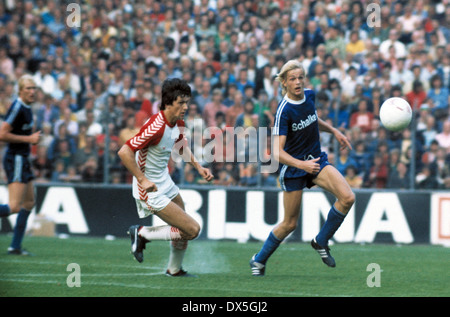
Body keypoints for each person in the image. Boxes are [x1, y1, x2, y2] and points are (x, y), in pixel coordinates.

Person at [249, 60, 355, 276]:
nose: (297, 82)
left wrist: (334, 131)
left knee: (347, 198)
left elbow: (313, 119)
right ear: (285, 83)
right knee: (289, 224)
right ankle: (258, 260)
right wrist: (301, 164)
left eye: (300, 78)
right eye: (292, 79)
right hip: (294, 169)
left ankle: (320, 240)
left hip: (315, 161)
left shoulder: (310, 95)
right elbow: (277, 152)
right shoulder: (284, 111)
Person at [118, 78, 213, 277]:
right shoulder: (155, 126)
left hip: (164, 181)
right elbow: (124, 151)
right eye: (181, 102)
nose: (186, 107)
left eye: (187, 102)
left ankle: (174, 269)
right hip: (149, 187)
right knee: (192, 229)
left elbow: (180, 145)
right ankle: (142, 233)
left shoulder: (177, 122)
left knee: (183, 227)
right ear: (168, 102)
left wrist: (198, 166)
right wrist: (142, 180)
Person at [0, 75, 41, 255]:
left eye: (34, 88)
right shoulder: (17, 107)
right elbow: (2, 134)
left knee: (29, 202)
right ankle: (15, 245)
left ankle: (15, 246)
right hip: (15, 158)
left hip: (22, 158)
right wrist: (29, 139)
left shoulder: (27, 107)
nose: (32, 92)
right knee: (14, 206)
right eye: (28, 89)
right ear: (20, 90)